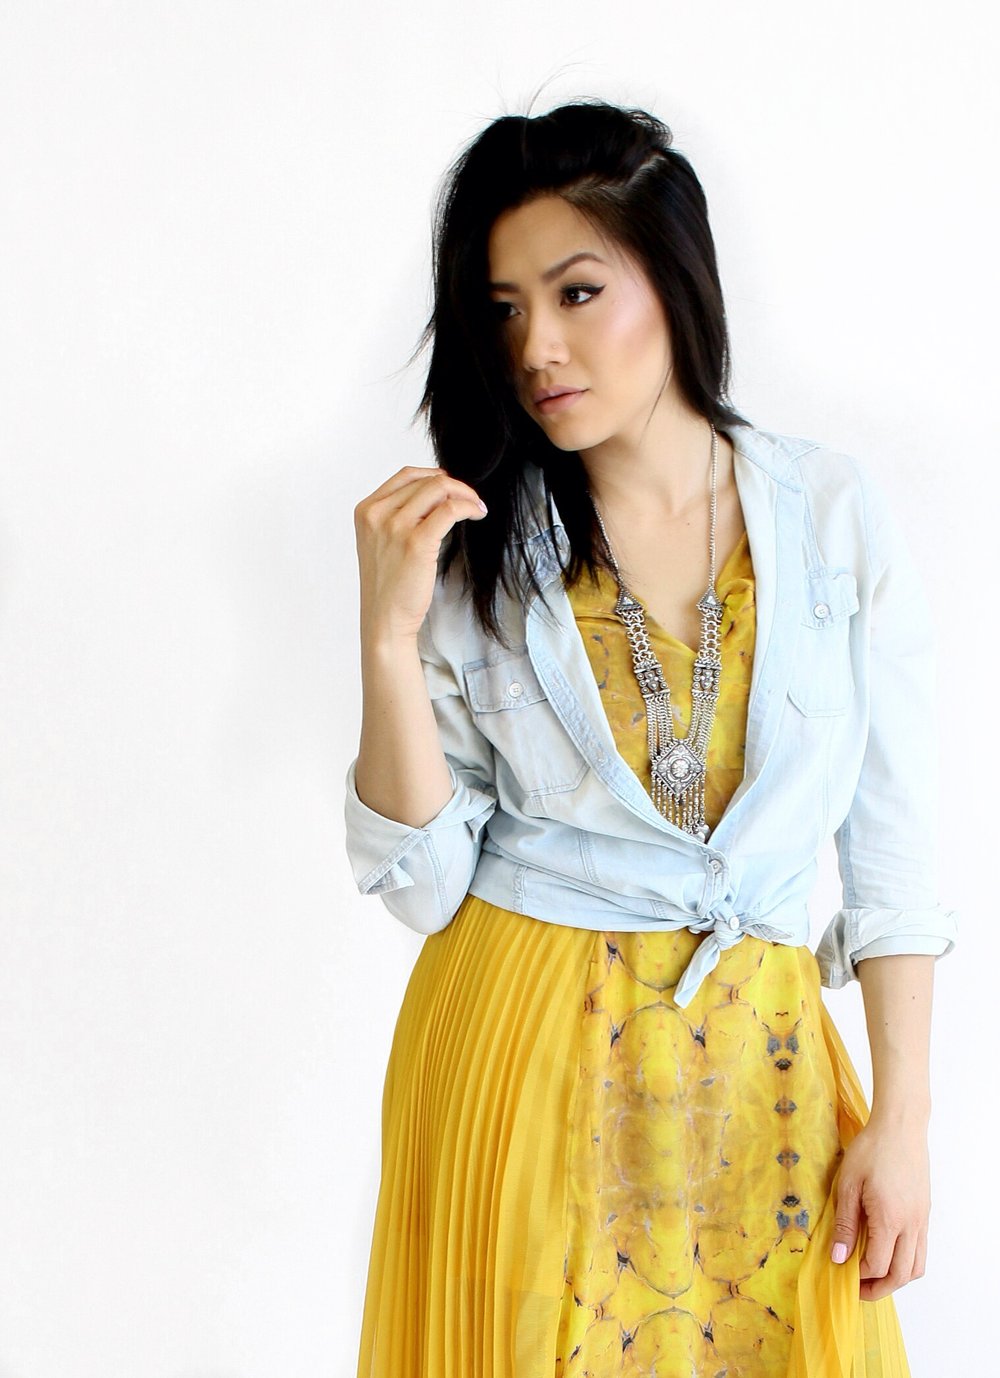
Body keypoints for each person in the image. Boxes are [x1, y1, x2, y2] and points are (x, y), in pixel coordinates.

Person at [343, 99, 958, 1378]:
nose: (537, 346)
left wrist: (901, 1119)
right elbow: (423, 885)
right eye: (503, 310)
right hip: (522, 1057)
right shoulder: (474, 554)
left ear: (673, 280)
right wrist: (387, 640)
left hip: (762, 1072)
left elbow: (892, 851)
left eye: (576, 292)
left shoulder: (829, 515)